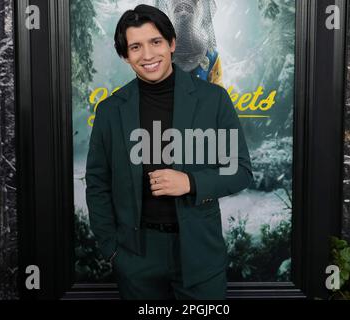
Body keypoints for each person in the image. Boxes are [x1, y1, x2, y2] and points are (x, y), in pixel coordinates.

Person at [85, 4, 252, 300]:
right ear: (125, 55)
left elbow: (239, 171)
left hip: (200, 253)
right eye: (136, 46)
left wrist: (191, 183)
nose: (147, 55)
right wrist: (111, 250)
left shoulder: (213, 99)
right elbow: (97, 183)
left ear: (172, 44)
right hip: (136, 257)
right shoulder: (110, 111)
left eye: (156, 42)